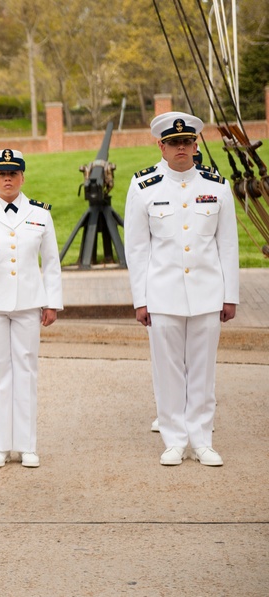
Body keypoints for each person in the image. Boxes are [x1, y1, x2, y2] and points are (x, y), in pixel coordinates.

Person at [124, 111, 239, 466]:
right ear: (161, 146)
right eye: (174, 143)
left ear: (195, 145)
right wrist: (140, 300)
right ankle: (174, 440)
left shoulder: (216, 185)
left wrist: (230, 295)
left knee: (203, 371)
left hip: (207, 292)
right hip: (163, 293)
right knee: (168, 370)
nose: (181, 148)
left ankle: (202, 439)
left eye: (187, 142)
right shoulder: (143, 186)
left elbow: (228, 245)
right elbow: (137, 249)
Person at [0, 148, 63, 469]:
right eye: (1, 174)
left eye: (13, 174)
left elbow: (51, 263)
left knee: (26, 371)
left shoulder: (40, 214)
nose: (7, 179)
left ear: (22, 176)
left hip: (27, 303)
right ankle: (0, 445)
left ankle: (26, 445)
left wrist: (52, 302)